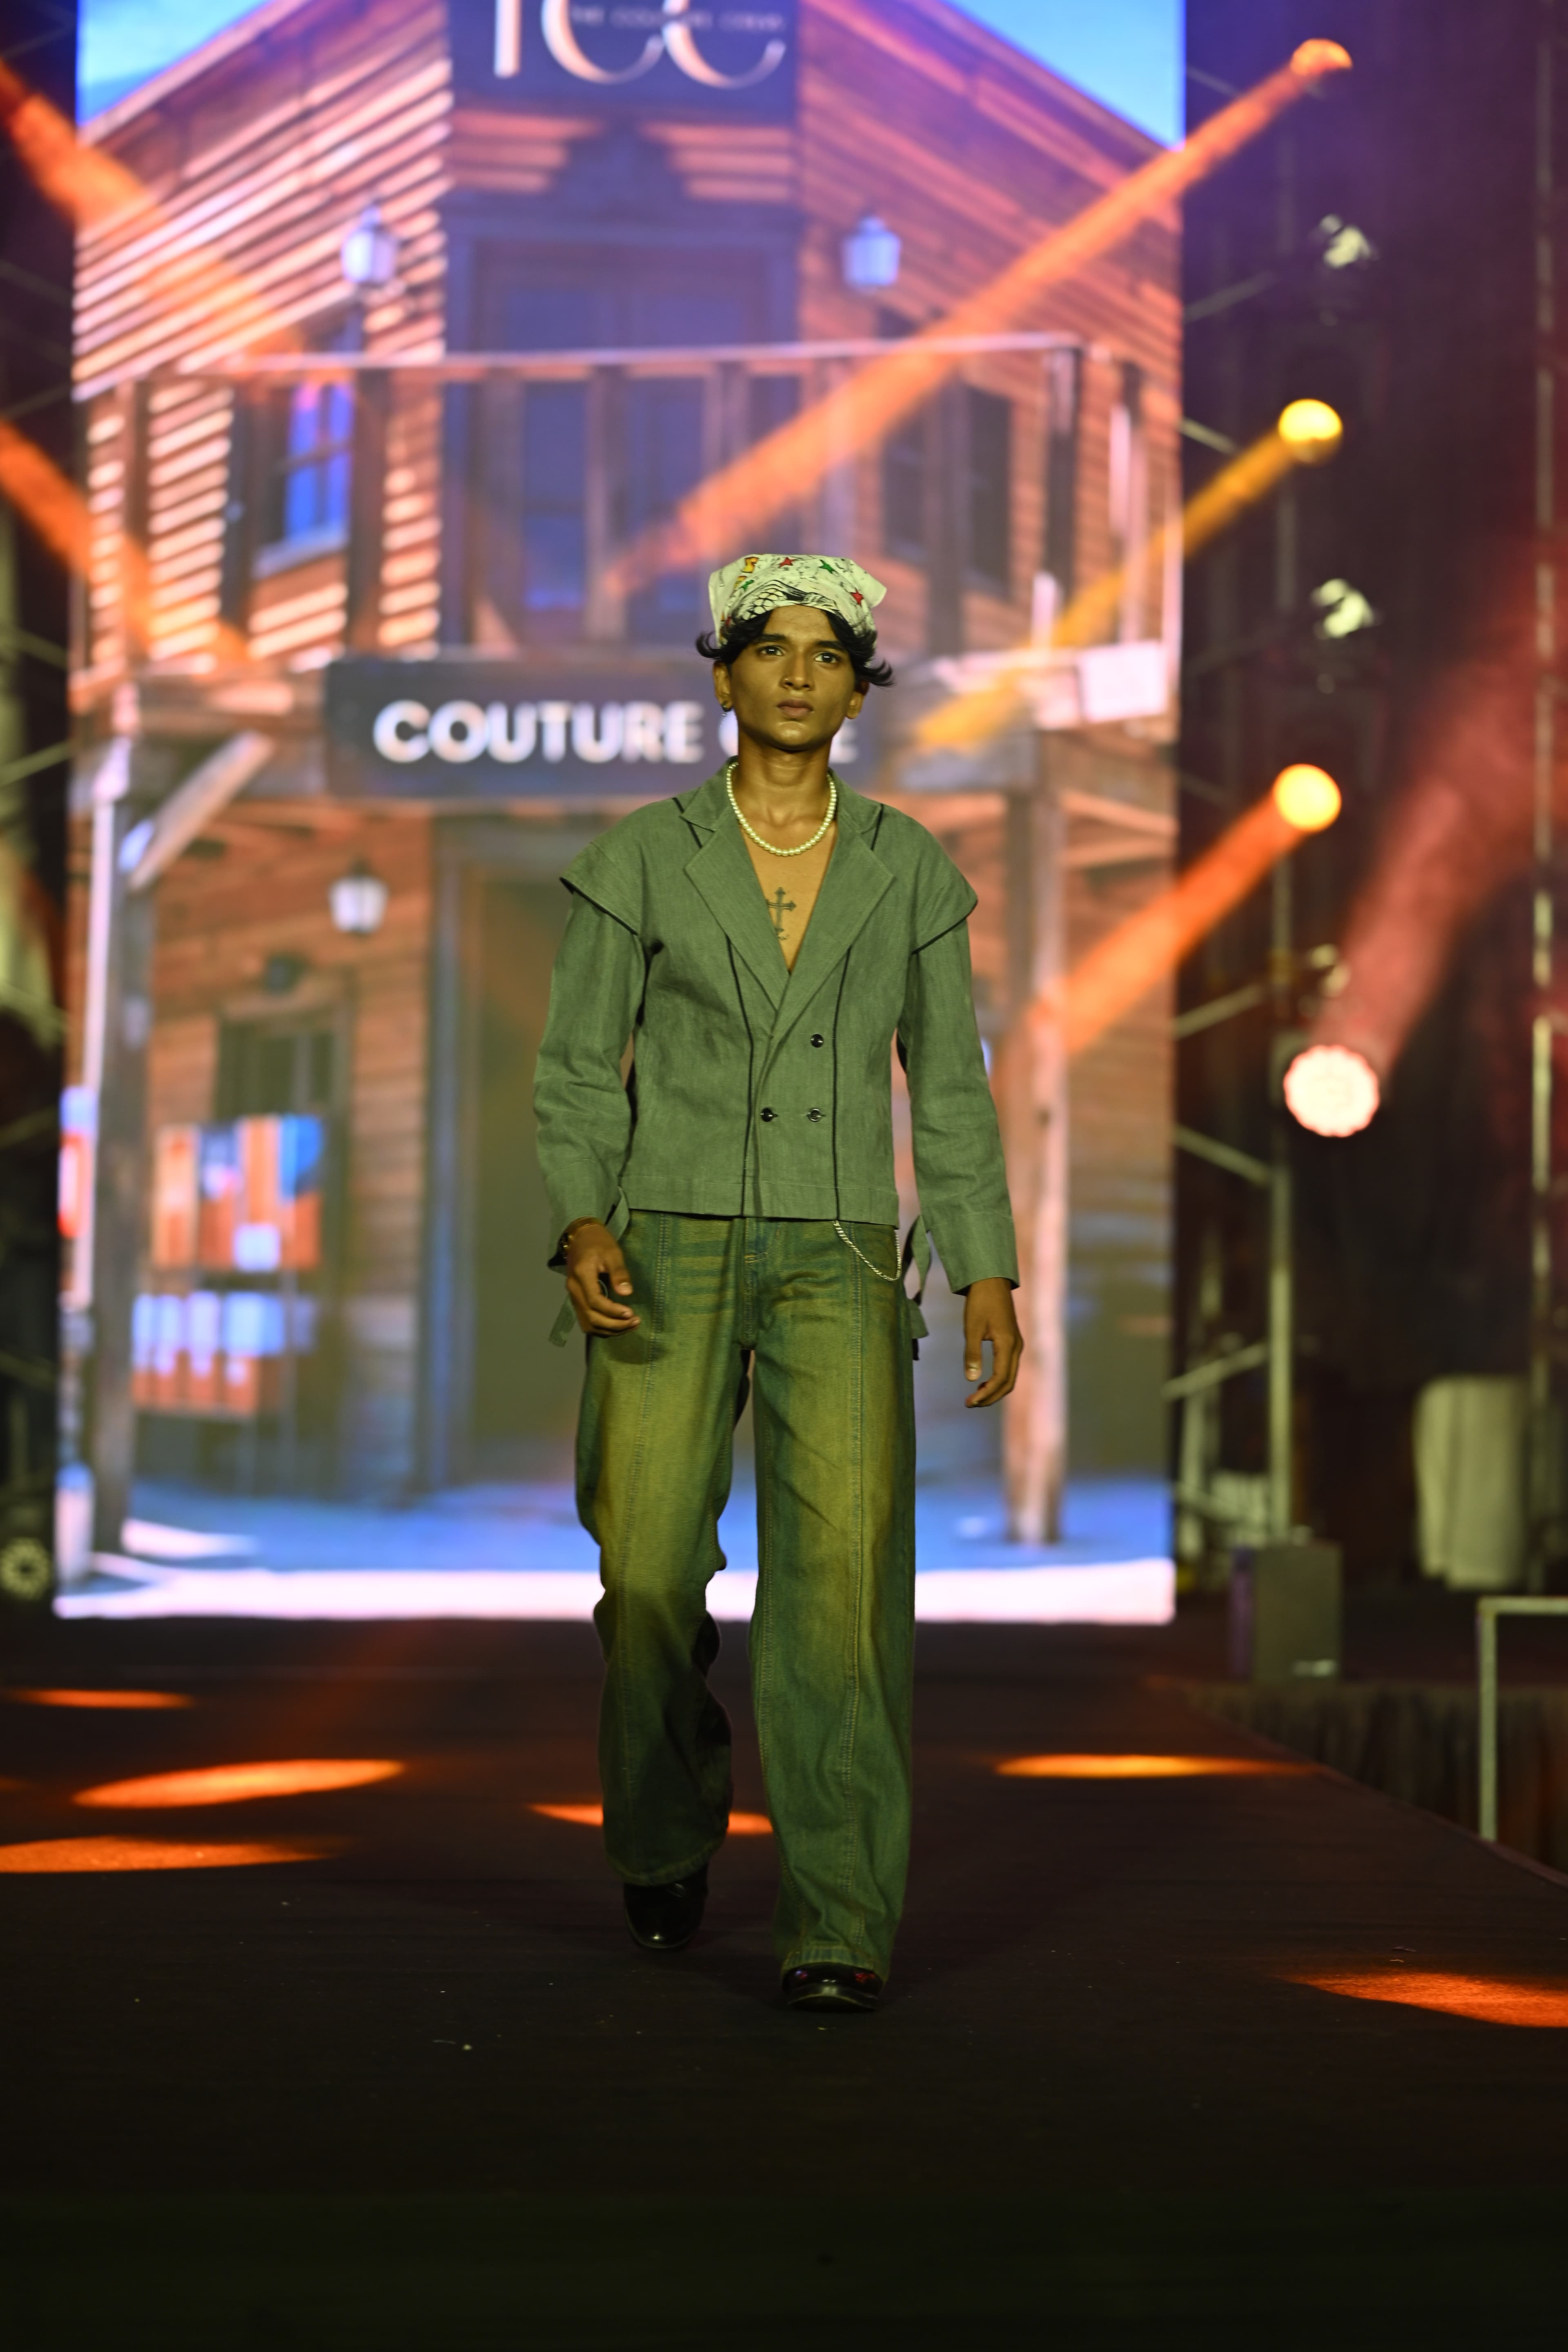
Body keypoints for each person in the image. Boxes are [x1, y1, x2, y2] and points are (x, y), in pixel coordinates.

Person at [534, 552, 1021, 2013]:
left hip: (842, 1253)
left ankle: (838, 1922)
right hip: (664, 1244)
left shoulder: (908, 867)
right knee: (646, 1575)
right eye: (771, 648)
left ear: (860, 690)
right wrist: (582, 1219)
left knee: (844, 1591)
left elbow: (949, 1087)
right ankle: (664, 1827)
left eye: (829, 654)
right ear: (725, 671)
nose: (799, 674)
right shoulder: (641, 856)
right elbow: (580, 1066)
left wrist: (984, 1267)